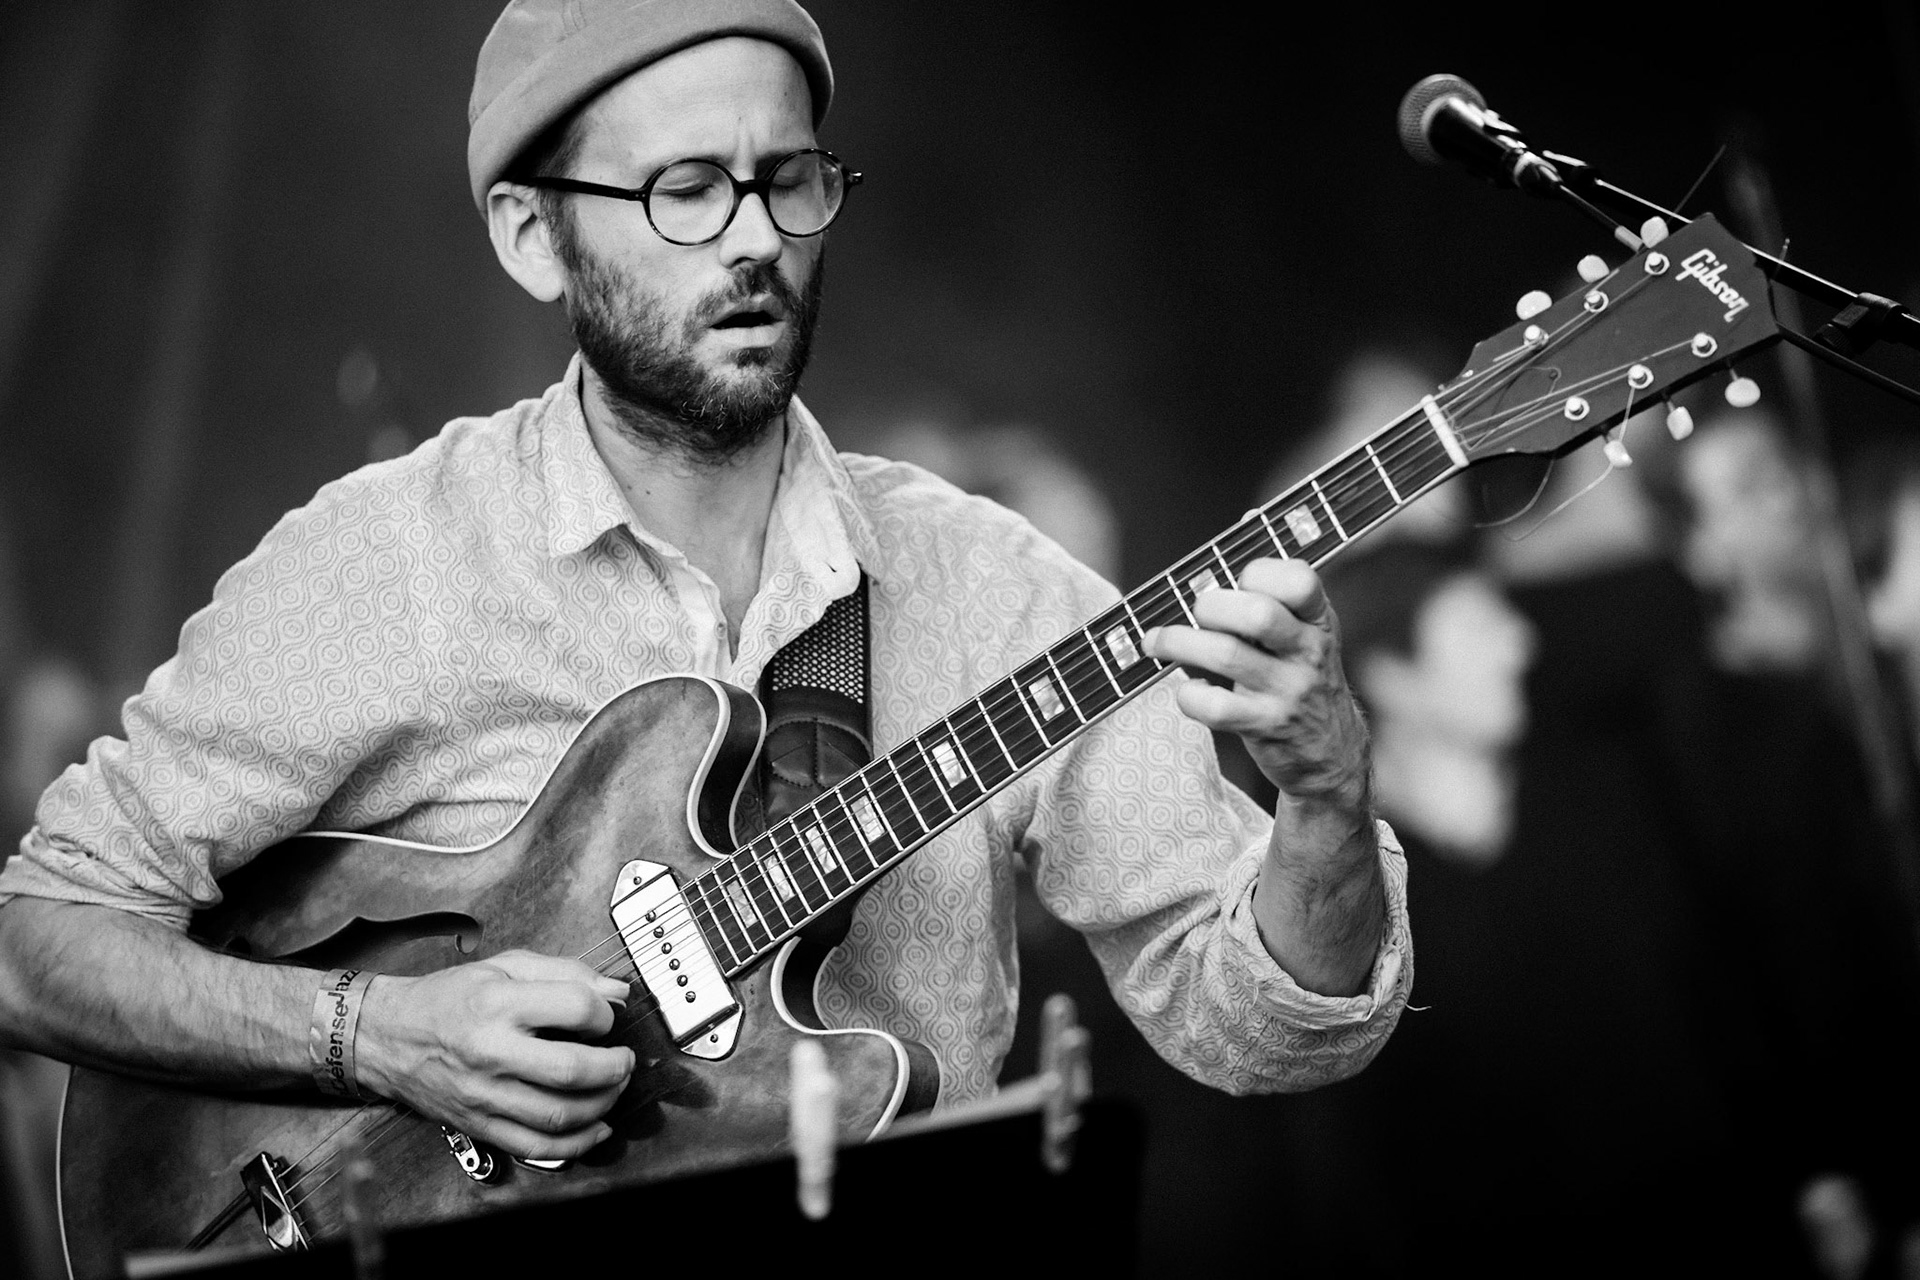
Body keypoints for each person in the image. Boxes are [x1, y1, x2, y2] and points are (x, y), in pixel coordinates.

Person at [0, 0, 1408, 1196]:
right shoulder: (392, 562)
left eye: (788, 180)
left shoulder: (998, 591)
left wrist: (1328, 792)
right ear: (531, 237)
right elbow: (37, 941)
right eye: (685, 189)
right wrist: (376, 1036)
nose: (752, 240)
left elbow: (1262, 1029)